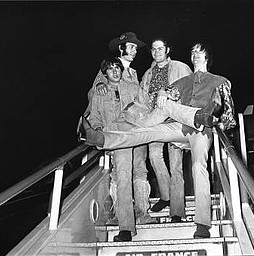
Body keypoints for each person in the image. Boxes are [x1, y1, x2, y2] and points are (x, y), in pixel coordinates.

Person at [81, 41, 237, 239]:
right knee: (150, 127)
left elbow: (229, 119)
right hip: (178, 125)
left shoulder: (220, 81)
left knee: (198, 166)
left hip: (202, 131)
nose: (196, 55)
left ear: (207, 57)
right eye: (193, 52)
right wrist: (163, 93)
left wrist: (218, 126)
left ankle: (202, 224)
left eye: (200, 52)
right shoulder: (180, 80)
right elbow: (159, 96)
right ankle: (103, 139)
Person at [85, 32, 154, 229]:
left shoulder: (132, 73)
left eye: (135, 48)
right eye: (130, 47)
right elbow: (94, 98)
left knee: (140, 168)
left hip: (134, 130)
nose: (134, 51)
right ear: (121, 49)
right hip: (115, 132)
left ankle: (142, 211)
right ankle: (119, 213)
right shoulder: (105, 70)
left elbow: (141, 100)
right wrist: (99, 85)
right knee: (119, 173)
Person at [138, 37, 192, 221]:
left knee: (175, 166)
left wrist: (167, 93)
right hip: (155, 122)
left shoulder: (180, 67)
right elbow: (142, 99)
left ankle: (177, 211)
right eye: (154, 49)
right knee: (154, 157)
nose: (157, 52)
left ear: (168, 50)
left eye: (160, 49)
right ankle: (166, 197)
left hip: (175, 121)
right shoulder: (147, 74)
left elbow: (189, 90)